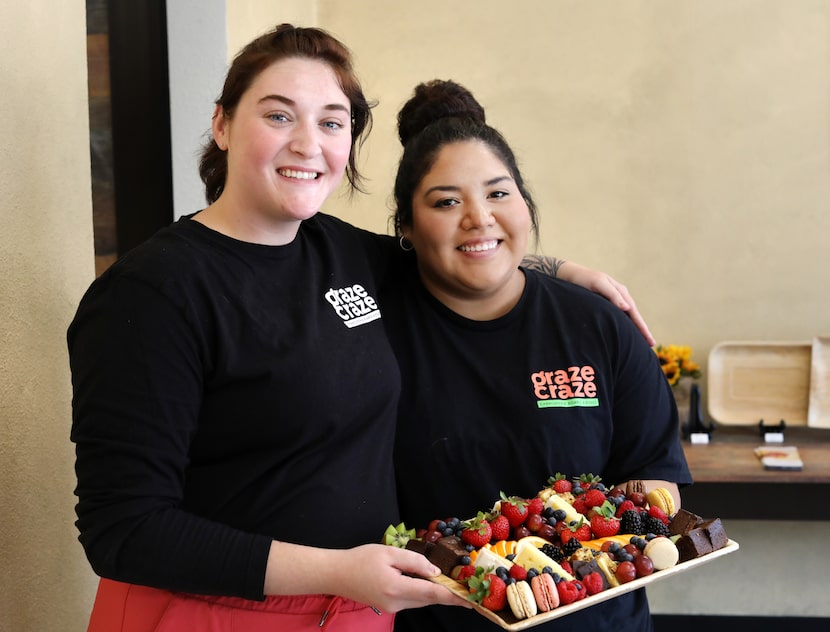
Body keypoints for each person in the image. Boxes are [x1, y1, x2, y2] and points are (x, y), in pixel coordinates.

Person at [68, 24, 653, 632]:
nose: (307, 144)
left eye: (331, 122)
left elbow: (450, 245)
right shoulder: (153, 292)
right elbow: (124, 530)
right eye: (278, 116)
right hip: (210, 613)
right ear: (221, 125)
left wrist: (562, 271)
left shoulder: (342, 254)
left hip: (355, 612)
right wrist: (335, 572)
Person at [383, 80, 692, 632]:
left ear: (525, 204)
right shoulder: (371, 338)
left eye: (499, 194)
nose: (479, 217)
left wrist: (639, 505)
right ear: (404, 227)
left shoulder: (596, 325)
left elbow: (655, 470)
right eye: (447, 201)